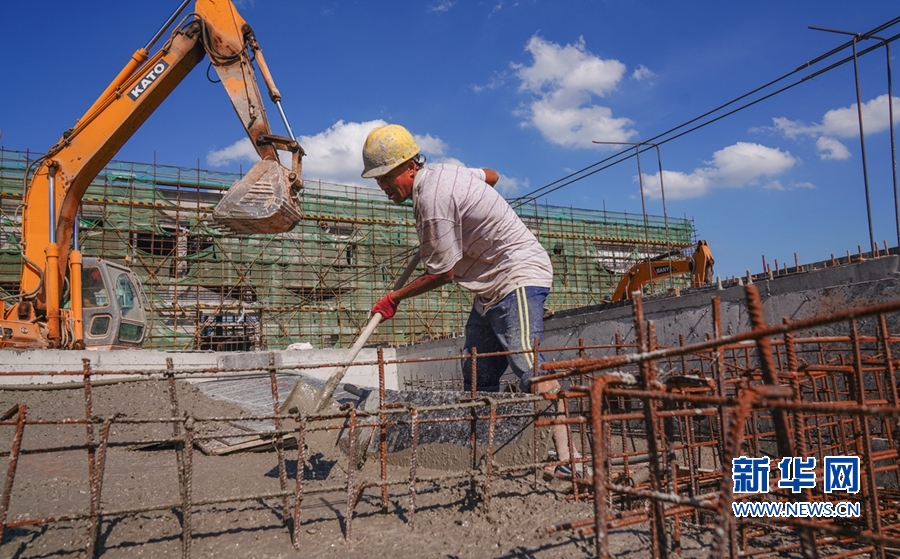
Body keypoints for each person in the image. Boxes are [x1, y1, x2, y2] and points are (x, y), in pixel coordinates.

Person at [361, 123, 578, 473]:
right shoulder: (449, 172)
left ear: (410, 167)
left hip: (517, 275)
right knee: (477, 371)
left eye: (386, 176)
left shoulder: (431, 202)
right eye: (377, 179)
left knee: (527, 365)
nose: (383, 186)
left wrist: (395, 298)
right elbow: (491, 176)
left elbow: (443, 273)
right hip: (488, 285)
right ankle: (487, 452)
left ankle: (571, 460)